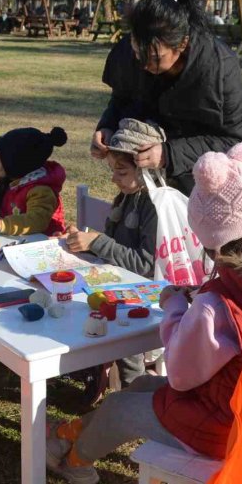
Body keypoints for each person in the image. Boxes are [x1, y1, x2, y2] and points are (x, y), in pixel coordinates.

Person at [46, 144, 242, 484]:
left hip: (221, 429)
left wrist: (175, 306)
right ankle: (69, 433)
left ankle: (73, 462)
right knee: (144, 384)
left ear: (209, 238)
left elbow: (179, 374)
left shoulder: (216, 306)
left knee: (120, 410)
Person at [92, 0, 242, 195]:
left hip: (230, 149)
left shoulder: (218, 67)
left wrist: (169, 154)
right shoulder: (129, 51)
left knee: (207, 214)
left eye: (155, 58)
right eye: (138, 54)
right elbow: (122, 97)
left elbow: (236, 141)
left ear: (182, 43)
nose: (144, 65)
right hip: (168, 141)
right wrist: (107, 126)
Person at [62, 118, 165, 402]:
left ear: (145, 169)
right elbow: (112, 246)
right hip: (118, 281)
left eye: (121, 171)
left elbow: (146, 264)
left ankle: (134, 395)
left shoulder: (155, 206)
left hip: (148, 292)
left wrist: (98, 242)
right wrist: (84, 241)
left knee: (121, 324)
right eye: (112, 170)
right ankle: (94, 368)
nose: (114, 179)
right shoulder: (126, 197)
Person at [0, 127, 68, 236]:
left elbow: (37, 221)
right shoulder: (11, 182)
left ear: (14, 164)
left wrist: (5, 224)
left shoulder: (41, 191)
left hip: (42, 245)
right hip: (15, 241)